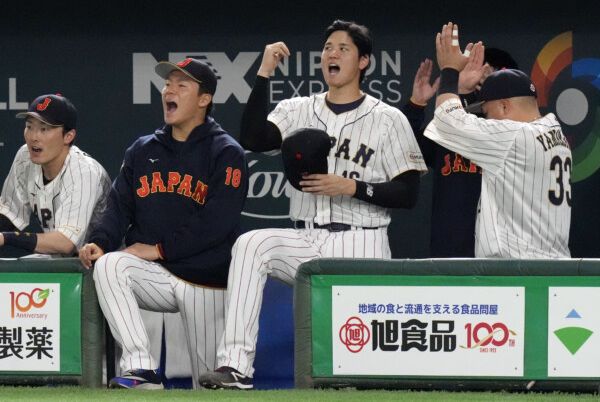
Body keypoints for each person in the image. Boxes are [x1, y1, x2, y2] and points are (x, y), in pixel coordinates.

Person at [199, 20, 427, 390]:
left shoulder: (388, 119)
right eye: (328, 48)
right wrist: (264, 73)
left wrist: (351, 186)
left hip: (362, 240)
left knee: (356, 369)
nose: (332, 54)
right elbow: (253, 138)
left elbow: (408, 193)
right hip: (305, 239)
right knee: (251, 244)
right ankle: (235, 368)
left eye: (343, 48)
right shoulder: (298, 109)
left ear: (364, 62)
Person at [78, 58, 248, 389]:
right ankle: (141, 368)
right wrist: (100, 239)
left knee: (210, 383)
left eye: (181, 85)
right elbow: (118, 206)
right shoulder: (143, 150)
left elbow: (217, 222)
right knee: (111, 264)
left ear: (204, 99)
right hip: (157, 274)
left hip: (205, 279)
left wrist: (159, 248)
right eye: (167, 84)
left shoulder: (227, 152)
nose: (169, 90)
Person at [424, 22, 571, 258]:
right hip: (548, 263)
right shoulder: (555, 134)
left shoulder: (513, 136)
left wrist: (450, 71)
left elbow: (445, 121)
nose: (486, 116)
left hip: (518, 269)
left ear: (504, 105)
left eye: (488, 110)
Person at [402, 48, 518, 258]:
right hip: (449, 251)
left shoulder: (517, 131)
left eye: (488, 75)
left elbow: (472, 127)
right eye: (472, 71)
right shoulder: (447, 126)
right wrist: (416, 104)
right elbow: (406, 149)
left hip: (501, 253)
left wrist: (463, 94)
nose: (479, 80)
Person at [0, 94, 110, 256]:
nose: (33, 137)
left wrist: (6, 238)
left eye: (44, 129)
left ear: (68, 136)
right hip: (61, 257)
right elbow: (8, 212)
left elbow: (65, 243)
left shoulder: (83, 171)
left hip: (100, 259)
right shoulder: (25, 157)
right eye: (29, 127)